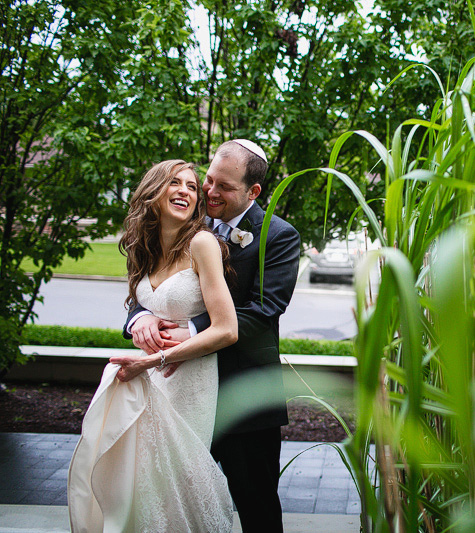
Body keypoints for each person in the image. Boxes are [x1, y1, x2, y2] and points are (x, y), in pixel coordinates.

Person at [124, 140, 301, 532]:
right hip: (179, 395)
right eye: (208, 180)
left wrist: (189, 331)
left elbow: (264, 310)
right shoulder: (187, 220)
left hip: (243, 397)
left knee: (256, 507)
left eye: (224, 187)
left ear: (252, 192)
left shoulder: (278, 235)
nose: (208, 191)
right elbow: (154, 284)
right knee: (175, 504)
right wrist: (138, 319)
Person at [68, 160, 237, 532]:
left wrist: (153, 359)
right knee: (142, 479)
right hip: (152, 379)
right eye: (174, 183)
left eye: (192, 187)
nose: (185, 191)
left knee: (180, 480)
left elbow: (227, 330)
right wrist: (139, 319)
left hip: (189, 379)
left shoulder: (202, 243)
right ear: (153, 192)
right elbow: (139, 303)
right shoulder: (142, 246)